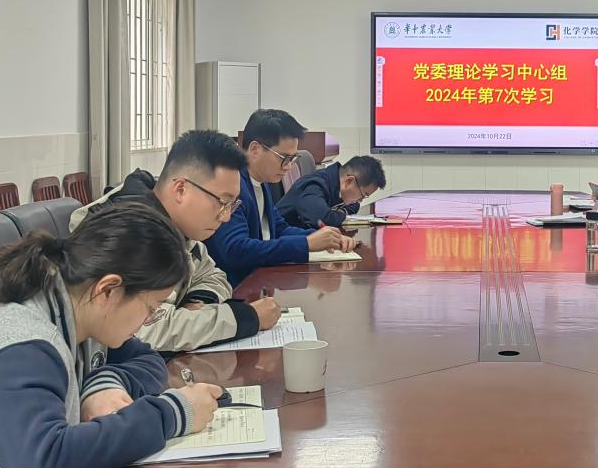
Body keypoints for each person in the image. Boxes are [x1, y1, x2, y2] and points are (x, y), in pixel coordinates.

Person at [0, 205, 222, 468]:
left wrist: (104, 382)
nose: (149, 320)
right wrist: (172, 413)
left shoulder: (76, 307)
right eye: (151, 307)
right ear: (110, 289)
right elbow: (44, 463)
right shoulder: (23, 342)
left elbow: (147, 359)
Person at [71, 130, 281, 352]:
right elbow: (145, 331)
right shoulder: (126, 235)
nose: (226, 216)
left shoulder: (178, 229)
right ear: (180, 189)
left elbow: (213, 275)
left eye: (232, 205)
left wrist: (199, 302)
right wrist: (245, 318)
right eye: (222, 202)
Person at [206, 109, 356, 286]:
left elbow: (279, 229)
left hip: (261, 280)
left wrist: (324, 238)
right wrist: (306, 244)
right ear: (255, 149)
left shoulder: (261, 182)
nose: (289, 166)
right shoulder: (232, 186)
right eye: (284, 158)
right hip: (237, 287)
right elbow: (236, 250)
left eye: (293, 159)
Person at [277, 155, 387, 230]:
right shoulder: (315, 184)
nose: (360, 200)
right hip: (281, 240)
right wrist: (340, 216)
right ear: (349, 181)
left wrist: (338, 213)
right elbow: (321, 218)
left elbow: (354, 206)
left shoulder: (335, 183)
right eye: (363, 195)